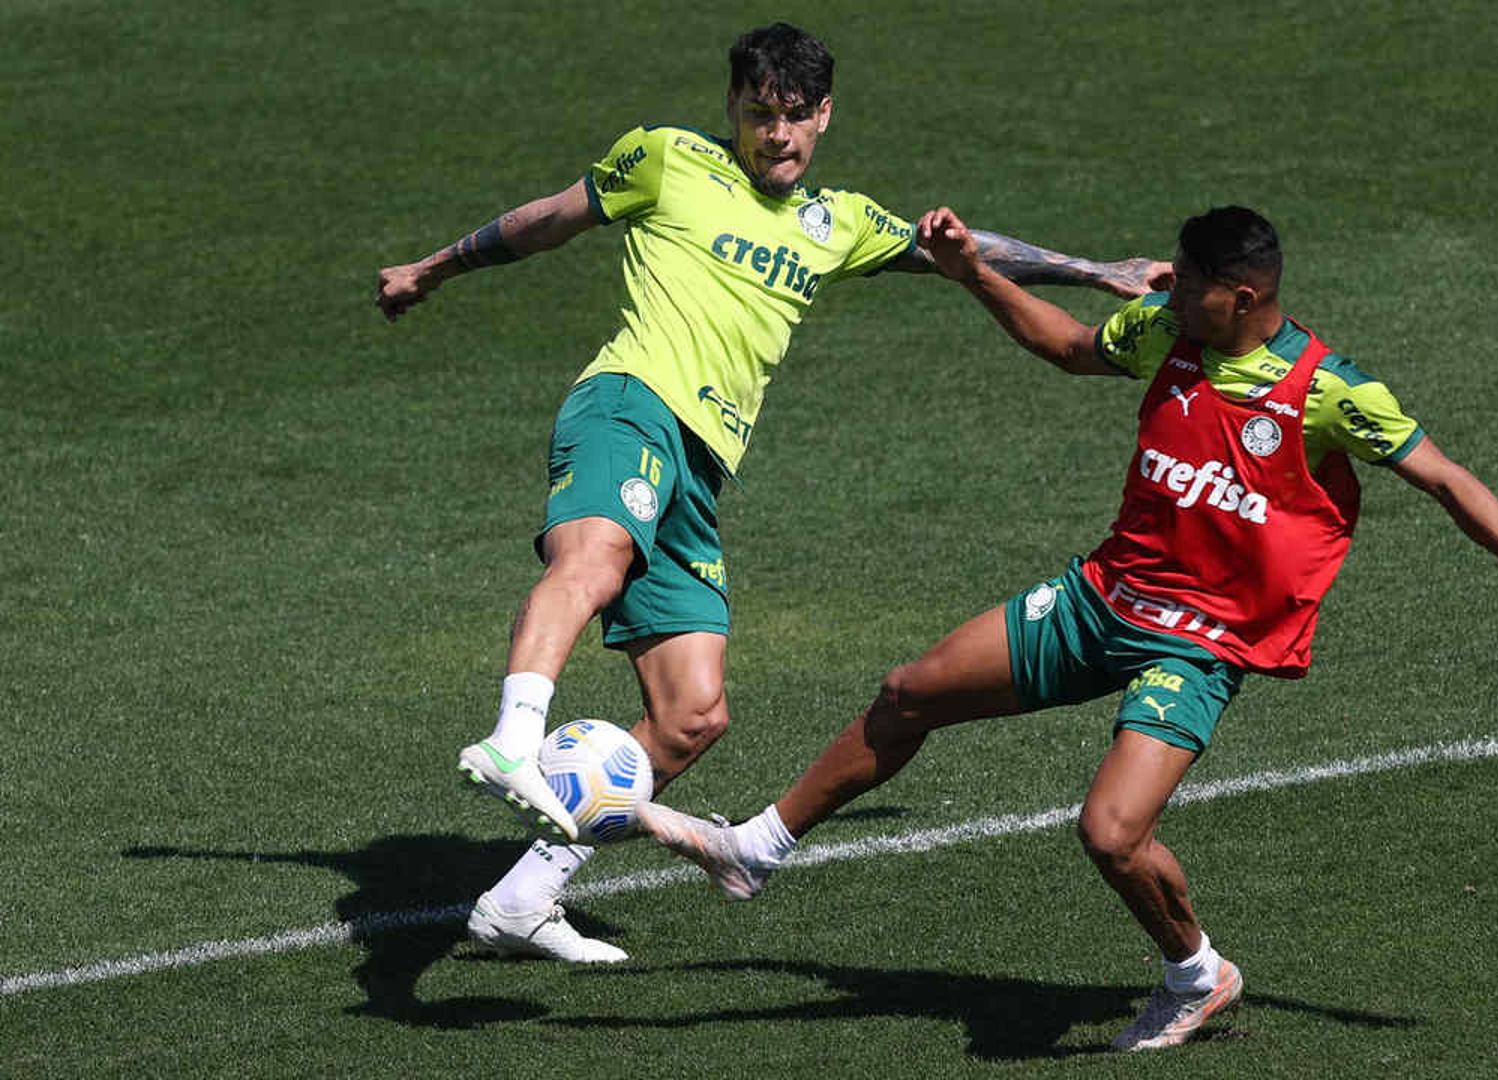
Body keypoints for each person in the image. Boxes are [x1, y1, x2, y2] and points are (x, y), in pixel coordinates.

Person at [638, 204, 1498, 1050]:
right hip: (1101, 600)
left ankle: (1196, 973)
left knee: (1112, 834)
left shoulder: (1327, 392)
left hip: (1198, 642)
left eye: (1191, 281)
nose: (1168, 290)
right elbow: (1066, 347)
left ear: (1243, 296)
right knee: (907, 695)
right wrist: (973, 271)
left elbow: (1447, 477)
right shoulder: (1170, 333)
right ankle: (757, 849)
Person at [374, 23, 1164, 964]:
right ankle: (515, 734)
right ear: (733, 111)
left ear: (823, 116)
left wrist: (1097, 270)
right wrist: (434, 267)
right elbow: (547, 218)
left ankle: (521, 899)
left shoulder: (840, 223)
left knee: (691, 714)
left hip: (702, 468)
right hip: (628, 405)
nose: (776, 135)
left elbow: (953, 250)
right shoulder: (666, 160)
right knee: (592, 555)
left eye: (794, 117)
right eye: (759, 115)